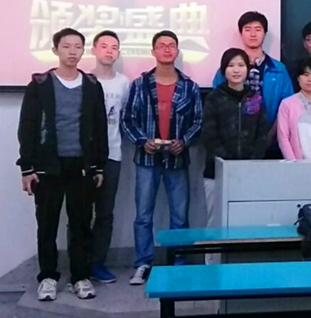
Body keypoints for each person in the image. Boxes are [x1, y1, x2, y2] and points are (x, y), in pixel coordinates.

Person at [17, 27, 107, 301]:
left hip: (81, 166)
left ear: (83, 51)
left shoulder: (92, 85)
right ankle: (47, 277)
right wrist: (27, 167)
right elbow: (28, 126)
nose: (72, 52)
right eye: (66, 46)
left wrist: (98, 165)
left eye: (78, 47)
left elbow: (99, 127)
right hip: (48, 166)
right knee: (47, 224)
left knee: (81, 224)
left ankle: (80, 277)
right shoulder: (40, 84)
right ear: (55, 50)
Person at [122, 30, 202, 285]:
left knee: (180, 215)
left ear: (177, 51)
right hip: (147, 160)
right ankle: (143, 263)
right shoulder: (140, 84)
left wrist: (184, 141)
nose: (167, 49)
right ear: (153, 51)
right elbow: (127, 120)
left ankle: (178, 262)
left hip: (177, 160)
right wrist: (141, 141)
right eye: (161, 45)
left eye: (171, 45)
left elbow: (198, 121)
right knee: (143, 215)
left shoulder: (189, 86)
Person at [202, 48, 269, 228]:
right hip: (216, 172)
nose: (236, 70)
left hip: (248, 172)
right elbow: (209, 135)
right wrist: (228, 163)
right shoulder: (214, 98)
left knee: (245, 221)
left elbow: (262, 134)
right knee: (215, 220)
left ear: (248, 69)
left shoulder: (255, 98)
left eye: (240, 65)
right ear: (224, 70)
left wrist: (251, 161)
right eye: (231, 65)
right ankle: (212, 249)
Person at [213, 11, 293, 158]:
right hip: (231, 146)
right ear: (241, 33)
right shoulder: (227, 69)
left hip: (272, 143)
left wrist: (269, 136)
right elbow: (215, 105)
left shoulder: (279, 70)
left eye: (258, 29)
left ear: (265, 33)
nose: (253, 34)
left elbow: (287, 108)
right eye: (248, 29)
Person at [88, 30, 130, 284]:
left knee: (105, 213)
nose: (109, 51)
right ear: (94, 50)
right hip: (84, 158)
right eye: (104, 46)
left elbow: (126, 118)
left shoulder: (124, 83)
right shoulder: (84, 80)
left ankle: (97, 263)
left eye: (114, 47)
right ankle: (79, 265)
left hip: (113, 154)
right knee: (81, 213)